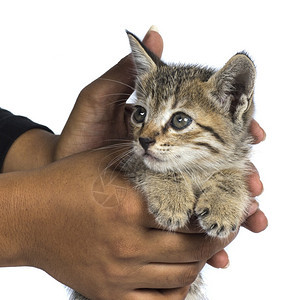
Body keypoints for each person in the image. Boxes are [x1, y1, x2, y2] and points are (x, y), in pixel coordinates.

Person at [0, 27, 267, 300]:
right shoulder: (146, 156)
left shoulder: (228, 170)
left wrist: (50, 159)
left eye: (179, 121)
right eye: (141, 114)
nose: (146, 136)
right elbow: (132, 171)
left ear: (233, 103)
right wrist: (34, 220)